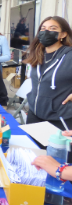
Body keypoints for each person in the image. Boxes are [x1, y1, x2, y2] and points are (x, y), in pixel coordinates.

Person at [24, 16, 72, 157]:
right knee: (34, 157)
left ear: (63, 34)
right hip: (35, 116)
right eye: (43, 29)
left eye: (53, 28)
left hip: (59, 118)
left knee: (57, 163)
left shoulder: (69, 55)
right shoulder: (37, 54)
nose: (46, 32)